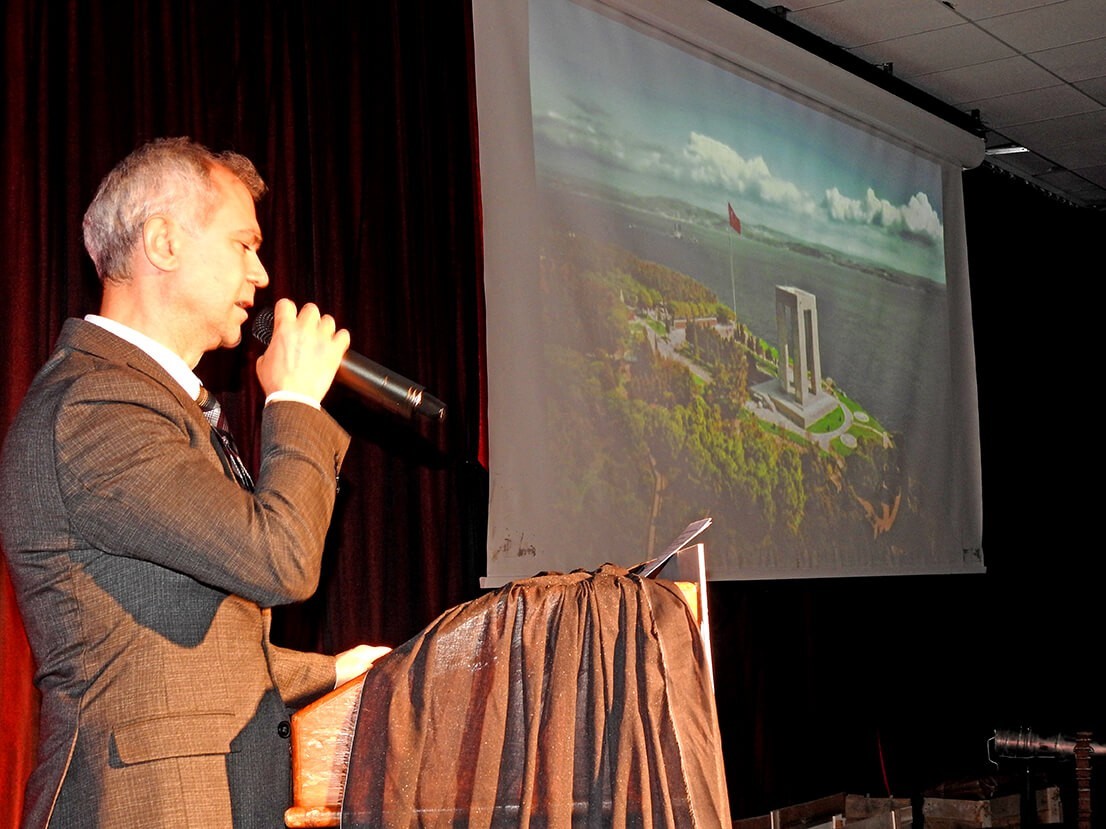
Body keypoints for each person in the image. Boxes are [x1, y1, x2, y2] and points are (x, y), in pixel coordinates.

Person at [0, 137, 389, 828]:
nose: (261, 273)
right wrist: (295, 401)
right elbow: (280, 559)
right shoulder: (98, 404)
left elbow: (189, 648)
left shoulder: (148, 402)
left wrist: (335, 671)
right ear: (164, 242)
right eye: (244, 245)